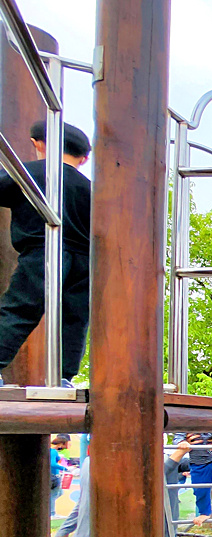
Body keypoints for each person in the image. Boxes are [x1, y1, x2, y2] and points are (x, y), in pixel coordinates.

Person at [0, 122, 92, 388]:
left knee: (20, 309)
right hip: (83, 260)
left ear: (39, 144)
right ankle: (63, 377)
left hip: (44, 252)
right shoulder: (90, 188)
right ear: (84, 159)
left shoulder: (28, 174)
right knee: (74, 318)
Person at [172, 432, 212, 527]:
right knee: (200, 490)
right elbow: (177, 437)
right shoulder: (186, 426)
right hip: (199, 463)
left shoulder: (210, 424)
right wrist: (181, 442)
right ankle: (204, 513)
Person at [50, 434, 70, 516]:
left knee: (59, 493)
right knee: (54, 494)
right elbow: (53, 464)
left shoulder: (51, 451)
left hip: (51, 475)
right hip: (54, 475)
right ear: (61, 444)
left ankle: (50, 509)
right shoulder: (54, 451)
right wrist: (65, 468)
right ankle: (52, 512)